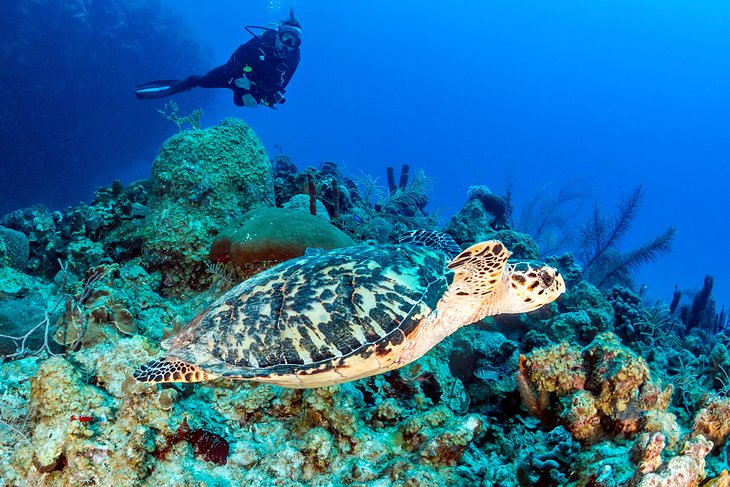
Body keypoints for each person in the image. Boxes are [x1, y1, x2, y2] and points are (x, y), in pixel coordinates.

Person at [136, 9, 301, 108]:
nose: (288, 45)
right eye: (287, 38)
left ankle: (243, 93)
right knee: (198, 81)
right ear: (279, 35)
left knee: (240, 102)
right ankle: (161, 89)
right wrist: (242, 86)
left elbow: (279, 87)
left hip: (256, 88)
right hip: (232, 74)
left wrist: (251, 87)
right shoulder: (262, 40)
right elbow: (237, 58)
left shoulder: (293, 60)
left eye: (294, 43)